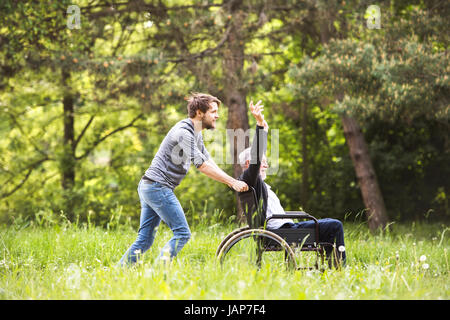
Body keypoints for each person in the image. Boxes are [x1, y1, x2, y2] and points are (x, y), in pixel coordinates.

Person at [119, 93, 248, 266]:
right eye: (213, 111)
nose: (217, 115)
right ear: (200, 112)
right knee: (182, 233)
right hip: (157, 187)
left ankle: (120, 271)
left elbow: (208, 160)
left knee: (145, 240)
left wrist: (232, 181)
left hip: (150, 185)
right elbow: (202, 166)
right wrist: (233, 183)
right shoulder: (183, 133)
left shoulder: (195, 132)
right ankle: (158, 273)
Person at [239, 101, 346, 267]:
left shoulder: (257, 184)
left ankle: (333, 266)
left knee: (329, 226)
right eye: (263, 162)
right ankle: (339, 269)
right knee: (334, 226)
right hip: (282, 232)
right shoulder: (250, 179)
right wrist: (261, 125)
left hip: (285, 228)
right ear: (249, 164)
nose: (266, 165)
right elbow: (256, 158)